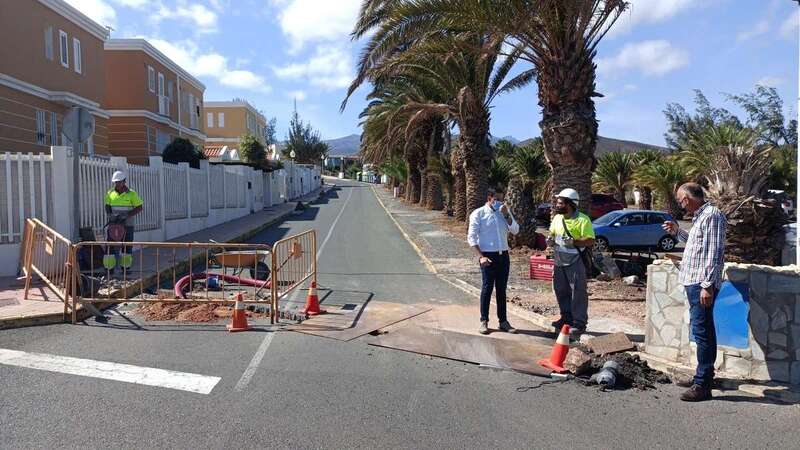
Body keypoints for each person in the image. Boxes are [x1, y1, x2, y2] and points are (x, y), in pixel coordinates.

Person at [663, 182, 726, 402]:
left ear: (688, 199)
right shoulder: (701, 217)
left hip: (701, 283)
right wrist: (678, 232)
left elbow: (714, 252)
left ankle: (703, 384)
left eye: (681, 201)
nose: (681, 205)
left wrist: (707, 285)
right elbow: (696, 245)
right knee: (701, 331)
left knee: (703, 332)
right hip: (694, 282)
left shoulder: (712, 216)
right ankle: (702, 375)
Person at [467, 187, 520, 335]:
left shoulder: (504, 212)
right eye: (496, 198)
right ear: (489, 198)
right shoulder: (478, 214)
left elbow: (515, 230)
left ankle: (503, 321)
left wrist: (507, 216)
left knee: (502, 290)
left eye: (501, 198)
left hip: (503, 255)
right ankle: (484, 321)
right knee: (487, 288)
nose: (499, 202)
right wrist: (481, 256)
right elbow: (471, 238)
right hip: (487, 256)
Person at [547, 188, 595, 338]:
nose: (557, 205)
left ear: (570, 204)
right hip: (559, 261)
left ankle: (579, 323)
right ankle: (566, 318)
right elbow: (552, 235)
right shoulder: (557, 219)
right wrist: (550, 241)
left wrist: (574, 241)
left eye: (560, 203)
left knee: (578, 292)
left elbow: (590, 240)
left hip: (575, 261)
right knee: (561, 290)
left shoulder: (583, 220)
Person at [104, 171, 143, 271]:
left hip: (127, 225)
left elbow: (139, 207)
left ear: (124, 181)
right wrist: (110, 215)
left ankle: (125, 268)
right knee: (110, 246)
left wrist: (127, 215)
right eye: (116, 182)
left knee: (126, 245)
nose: (117, 184)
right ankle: (109, 268)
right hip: (113, 224)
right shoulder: (110, 193)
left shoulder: (132, 194)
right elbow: (107, 206)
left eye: (119, 182)